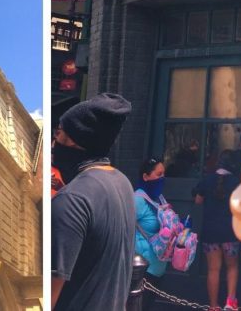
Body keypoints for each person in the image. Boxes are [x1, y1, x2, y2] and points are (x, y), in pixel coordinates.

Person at [51, 93, 136, 311]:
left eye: (58, 133)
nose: (54, 143)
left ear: (75, 140)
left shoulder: (72, 199)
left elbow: (50, 291)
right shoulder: (122, 183)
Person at [193, 149, 241, 311]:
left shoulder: (207, 180)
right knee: (232, 267)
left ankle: (213, 306)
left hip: (211, 231)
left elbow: (198, 201)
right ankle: (230, 302)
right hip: (230, 231)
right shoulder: (236, 182)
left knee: (213, 269)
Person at [133, 157, 169, 309]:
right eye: (158, 174)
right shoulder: (138, 199)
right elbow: (124, 227)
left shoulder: (159, 198)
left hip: (158, 265)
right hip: (144, 267)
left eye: (163, 174)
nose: (162, 178)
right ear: (146, 177)